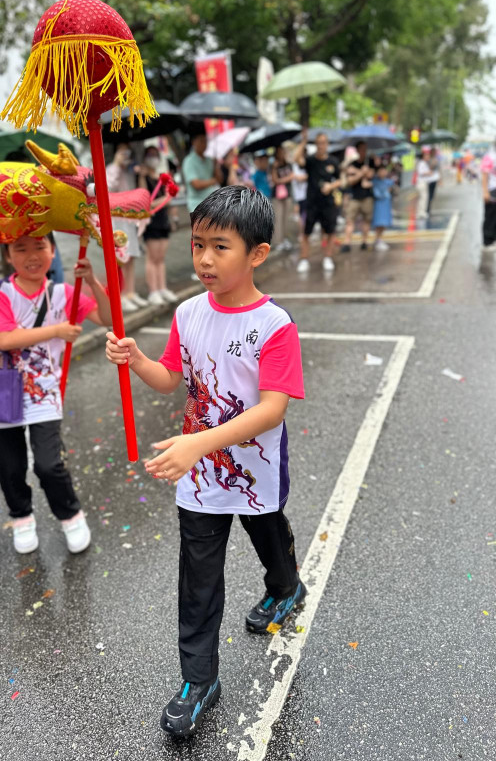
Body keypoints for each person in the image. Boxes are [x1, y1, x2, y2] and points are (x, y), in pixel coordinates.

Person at [106, 186, 306, 738]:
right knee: (198, 579)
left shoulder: (274, 325)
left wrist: (201, 441)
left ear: (257, 254)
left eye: (220, 246)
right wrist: (138, 359)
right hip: (198, 478)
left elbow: (272, 410)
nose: (204, 260)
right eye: (197, 245)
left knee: (268, 534)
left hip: (256, 468)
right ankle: (199, 679)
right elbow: (173, 378)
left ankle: (286, 586)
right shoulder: (188, 313)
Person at [0, 233, 112, 554]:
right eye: (20, 247)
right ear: (8, 255)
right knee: (9, 464)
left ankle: (70, 515)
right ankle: (22, 517)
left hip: (44, 391)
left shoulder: (64, 293)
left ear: (53, 251)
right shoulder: (0, 293)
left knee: (49, 464)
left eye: (40, 246)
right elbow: (5, 340)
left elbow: (108, 319)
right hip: (2, 388)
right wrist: (56, 331)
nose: (32, 254)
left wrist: (93, 281)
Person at [294, 130, 342, 273]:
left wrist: (331, 186)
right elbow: (296, 159)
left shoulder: (333, 161)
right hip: (312, 202)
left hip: (328, 202)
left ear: (327, 144)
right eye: (319, 143)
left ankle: (328, 257)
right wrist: (303, 142)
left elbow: (340, 180)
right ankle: (304, 259)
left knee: (330, 231)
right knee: (306, 232)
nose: (321, 146)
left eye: (324, 143)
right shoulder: (310, 160)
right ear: (315, 144)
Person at [106, 143, 146, 313]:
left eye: (127, 151)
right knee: (120, 258)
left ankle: (130, 292)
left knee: (131, 256)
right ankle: (120, 295)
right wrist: (116, 164)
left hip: (130, 218)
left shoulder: (130, 170)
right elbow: (109, 186)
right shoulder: (111, 168)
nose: (125, 155)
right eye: (122, 151)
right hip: (117, 218)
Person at [138, 146, 179, 306]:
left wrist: (172, 217)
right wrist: (164, 200)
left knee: (161, 258)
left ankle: (162, 288)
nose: (153, 158)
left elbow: (167, 202)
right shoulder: (143, 178)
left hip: (162, 220)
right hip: (151, 222)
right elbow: (144, 202)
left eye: (156, 155)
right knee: (152, 257)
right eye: (150, 155)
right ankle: (153, 291)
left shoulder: (160, 179)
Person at [341, 141, 375, 252]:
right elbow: (350, 180)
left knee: (366, 220)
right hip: (354, 196)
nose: (363, 151)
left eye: (365, 149)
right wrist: (361, 173)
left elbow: (371, 175)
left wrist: (361, 172)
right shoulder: (353, 163)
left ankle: (364, 241)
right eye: (361, 149)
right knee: (350, 220)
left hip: (367, 196)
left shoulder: (370, 162)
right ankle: (347, 242)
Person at [181, 132, 220, 215]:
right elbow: (196, 184)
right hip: (197, 204)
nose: (204, 144)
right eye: (201, 141)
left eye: (205, 141)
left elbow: (220, 179)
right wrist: (213, 181)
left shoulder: (209, 160)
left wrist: (216, 166)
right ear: (193, 142)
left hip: (212, 203)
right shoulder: (189, 161)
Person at [271, 146, 294, 250]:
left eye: (283, 152)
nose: (282, 154)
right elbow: (274, 180)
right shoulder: (273, 165)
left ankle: (285, 239)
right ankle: (278, 241)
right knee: (278, 218)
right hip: (277, 196)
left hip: (288, 195)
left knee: (286, 218)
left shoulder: (288, 164)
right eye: (280, 152)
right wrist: (275, 169)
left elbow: (292, 176)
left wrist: (283, 180)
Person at [371, 165, 395, 251]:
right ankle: (377, 240)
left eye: (384, 170)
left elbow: (394, 191)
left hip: (386, 204)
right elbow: (377, 194)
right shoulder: (375, 182)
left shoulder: (389, 182)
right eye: (381, 171)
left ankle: (380, 239)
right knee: (379, 223)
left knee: (384, 223)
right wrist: (385, 192)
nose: (383, 173)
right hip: (379, 205)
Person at [480, 140, 496, 251]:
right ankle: (487, 242)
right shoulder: (490, 157)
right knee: (490, 216)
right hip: (492, 190)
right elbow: (485, 176)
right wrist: (485, 192)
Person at [291, 156, 308, 234]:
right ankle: (302, 233)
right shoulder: (294, 166)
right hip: (299, 195)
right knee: (301, 214)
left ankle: (304, 232)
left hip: (306, 194)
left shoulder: (305, 166)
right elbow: (297, 177)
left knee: (305, 214)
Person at [416, 146, 433, 220]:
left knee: (424, 198)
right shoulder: (421, 163)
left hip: (424, 182)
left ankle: (422, 212)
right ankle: (421, 213)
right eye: (427, 155)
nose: (428, 157)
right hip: (421, 183)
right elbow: (421, 172)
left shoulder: (424, 163)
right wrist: (428, 173)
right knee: (423, 198)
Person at [427, 147, 441, 215]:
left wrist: (440, 179)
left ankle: (429, 208)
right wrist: (434, 163)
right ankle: (427, 209)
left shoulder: (436, 159)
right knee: (429, 194)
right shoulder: (429, 159)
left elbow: (438, 169)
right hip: (429, 179)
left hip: (434, 178)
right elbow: (429, 168)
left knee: (432, 195)